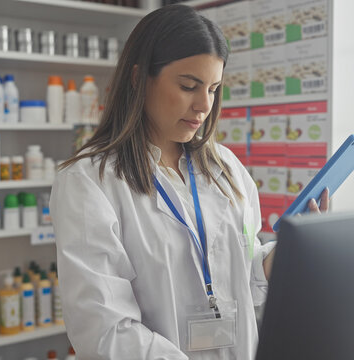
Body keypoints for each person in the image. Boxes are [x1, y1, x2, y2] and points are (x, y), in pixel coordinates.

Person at [50, 4, 329, 359]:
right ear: (138, 78)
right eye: (188, 86)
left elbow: (239, 278)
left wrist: (285, 255)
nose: (203, 105)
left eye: (213, 89)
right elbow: (105, 331)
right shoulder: (89, 182)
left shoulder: (225, 167)